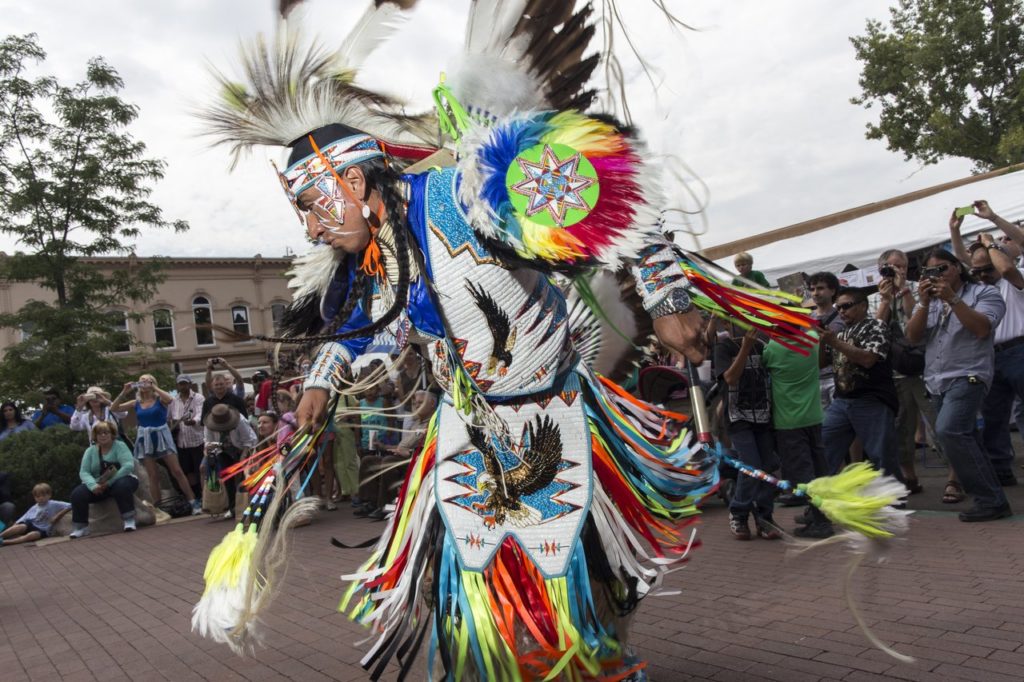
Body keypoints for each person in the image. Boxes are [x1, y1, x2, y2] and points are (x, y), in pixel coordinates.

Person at [193, 4, 819, 673]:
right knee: (471, 580)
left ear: (352, 180)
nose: (314, 231)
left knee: (572, 566)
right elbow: (362, 333)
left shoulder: (467, 195)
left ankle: (593, 656)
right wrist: (320, 381)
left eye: (313, 207)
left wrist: (666, 302)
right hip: (467, 430)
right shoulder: (382, 261)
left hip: (558, 413)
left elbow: (622, 205)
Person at [906, 248, 1011, 522]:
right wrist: (924, 302)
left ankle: (989, 500)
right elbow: (913, 337)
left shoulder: (984, 293)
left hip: (970, 374)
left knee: (950, 430)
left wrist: (952, 299)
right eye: (931, 271)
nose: (938, 275)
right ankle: (992, 498)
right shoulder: (928, 301)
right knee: (966, 438)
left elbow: (982, 329)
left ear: (957, 267)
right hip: (937, 380)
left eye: (943, 268)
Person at [960, 202, 1024, 487]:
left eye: (988, 268)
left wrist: (992, 237)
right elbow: (969, 262)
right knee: (994, 417)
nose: (983, 273)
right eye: (979, 271)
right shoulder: (982, 289)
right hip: (991, 354)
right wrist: (954, 231)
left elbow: (1007, 268)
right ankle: (1001, 471)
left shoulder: (1013, 279)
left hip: (1020, 350)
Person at [869, 249, 936, 495]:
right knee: (902, 431)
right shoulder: (874, 297)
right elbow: (875, 330)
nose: (897, 271)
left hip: (924, 368)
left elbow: (915, 324)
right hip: (895, 371)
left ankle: (955, 478)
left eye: (902, 267)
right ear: (880, 269)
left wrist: (904, 290)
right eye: (890, 267)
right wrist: (887, 299)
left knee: (940, 426)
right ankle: (910, 476)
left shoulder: (920, 288)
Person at [820, 287, 900, 478]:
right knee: (824, 448)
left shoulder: (876, 327)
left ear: (863, 306)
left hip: (871, 399)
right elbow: (822, 363)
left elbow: (868, 359)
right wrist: (823, 341)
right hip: (842, 400)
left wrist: (836, 343)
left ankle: (894, 502)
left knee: (882, 457)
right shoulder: (839, 334)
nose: (841, 311)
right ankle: (819, 502)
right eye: (838, 308)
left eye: (846, 306)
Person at [761, 332, 834, 538]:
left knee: (803, 475)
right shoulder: (812, 338)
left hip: (789, 421)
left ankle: (820, 522)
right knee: (820, 469)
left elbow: (762, 365)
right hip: (814, 416)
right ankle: (818, 514)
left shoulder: (774, 347)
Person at [713, 327, 780, 540]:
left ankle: (765, 517)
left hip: (763, 415)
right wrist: (745, 349)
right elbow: (731, 378)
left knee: (768, 465)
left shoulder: (763, 346)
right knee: (751, 465)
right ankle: (739, 512)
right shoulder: (724, 348)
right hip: (737, 417)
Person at [113, 375, 200, 514]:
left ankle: (193, 501)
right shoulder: (136, 402)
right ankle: (159, 508)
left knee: (176, 471)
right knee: (153, 475)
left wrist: (153, 387)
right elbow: (114, 408)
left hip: (162, 435)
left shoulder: (159, 399)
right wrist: (124, 391)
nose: (144, 382)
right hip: (146, 437)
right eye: (141, 380)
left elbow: (170, 399)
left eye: (147, 380)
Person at [68, 421, 140, 537]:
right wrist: (93, 485)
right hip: (98, 484)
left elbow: (128, 466)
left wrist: (109, 482)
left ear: (112, 434)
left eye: (106, 432)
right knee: (77, 494)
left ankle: (129, 520)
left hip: (121, 479)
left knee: (121, 486)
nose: (103, 436)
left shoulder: (120, 446)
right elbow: (84, 472)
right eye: (99, 433)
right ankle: (81, 527)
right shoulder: (90, 451)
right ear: (95, 436)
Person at [204, 405, 258, 520]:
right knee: (227, 477)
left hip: (243, 448)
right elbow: (208, 442)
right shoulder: (209, 424)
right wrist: (211, 450)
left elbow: (249, 441)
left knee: (243, 478)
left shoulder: (240, 421)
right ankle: (232, 507)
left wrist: (242, 459)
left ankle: (246, 506)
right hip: (222, 451)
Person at [169, 374, 207, 499]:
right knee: (188, 471)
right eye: (180, 384)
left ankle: (205, 495)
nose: (183, 386)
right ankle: (196, 495)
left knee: (200, 470)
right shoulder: (174, 401)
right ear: (177, 386)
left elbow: (200, 414)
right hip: (181, 442)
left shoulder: (198, 397)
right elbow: (169, 417)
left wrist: (193, 421)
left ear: (190, 384)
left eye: (185, 383)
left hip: (197, 440)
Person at [0, 483, 70, 546]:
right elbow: (24, 517)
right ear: (35, 498)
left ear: (49, 495)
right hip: (32, 524)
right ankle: (1, 535)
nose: (41, 498)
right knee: (20, 526)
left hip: (43, 529)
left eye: (43, 495)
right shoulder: (34, 507)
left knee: (33, 535)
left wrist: (58, 515)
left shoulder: (53, 503)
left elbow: (70, 505)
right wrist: (15, 525)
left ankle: (5, 542)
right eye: (38, 496)